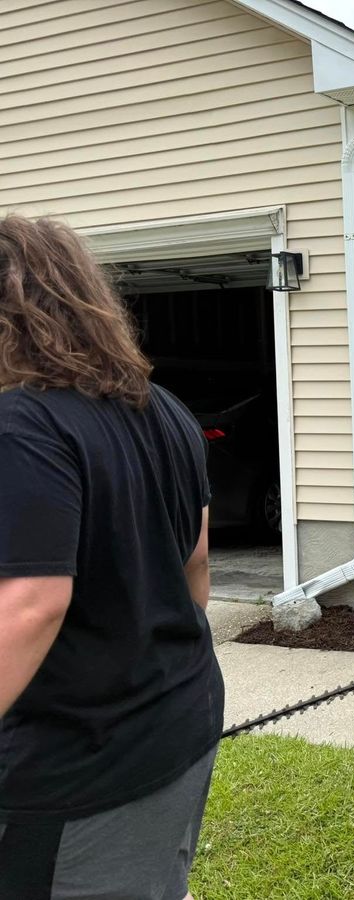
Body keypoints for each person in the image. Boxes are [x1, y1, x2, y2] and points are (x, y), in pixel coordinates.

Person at [0, 214, 222, 900]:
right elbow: (198, 564)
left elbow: (31, 604)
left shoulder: (18, 425)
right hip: (178, 721)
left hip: (75, 769)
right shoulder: (163, 409)